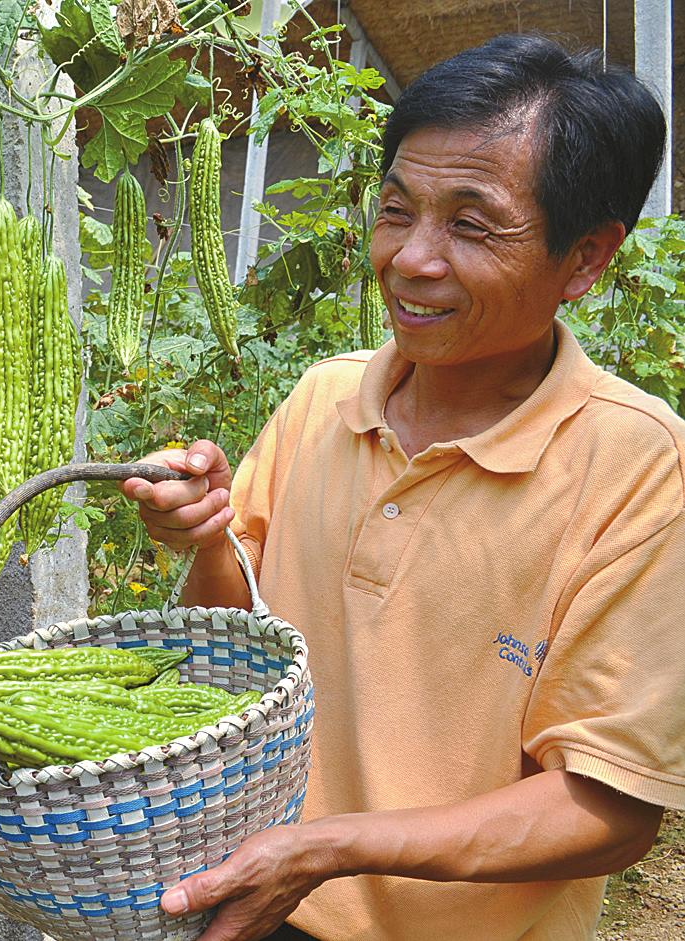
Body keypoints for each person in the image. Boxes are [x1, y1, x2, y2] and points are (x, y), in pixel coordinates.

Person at [121, 34, 682, 941]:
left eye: (470, 225)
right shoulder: (323, 399)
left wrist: (326, 849)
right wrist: (207, 535)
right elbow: (231, 644)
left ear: (584, 258)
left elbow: (607, 808)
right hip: (256, 900)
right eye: (396, 210)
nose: (411, 258)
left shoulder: (636, 466)